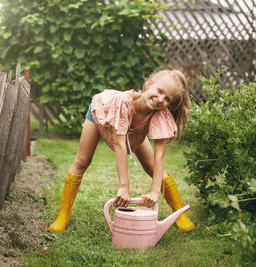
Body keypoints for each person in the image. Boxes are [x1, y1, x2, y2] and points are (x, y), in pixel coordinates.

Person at [48, 70, 195, 233]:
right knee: (82, 161)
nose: (160, 99)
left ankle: (179, 212)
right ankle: (64, 214)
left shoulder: (160, 113)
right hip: (102, 116)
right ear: (149, 84)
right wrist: (124, 187)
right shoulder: (124, 103)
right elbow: (120, 144)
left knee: (151, 166)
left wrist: (154, 191)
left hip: (133, 129)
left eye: (167, 99)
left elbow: (159, 154)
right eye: (160, 91)